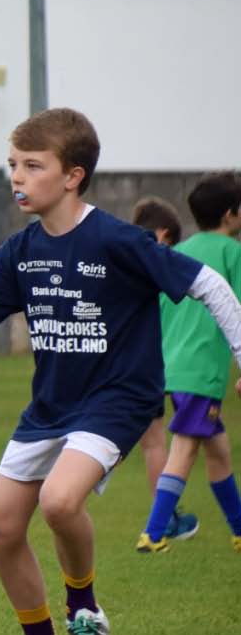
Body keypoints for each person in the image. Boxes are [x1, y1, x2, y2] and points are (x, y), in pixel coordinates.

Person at [0, 109, 241, 635]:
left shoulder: (116, 238)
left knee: (60, 501)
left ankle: (84, 609)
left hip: (118, 399)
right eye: (12, 164)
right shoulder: (21, 249)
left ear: (72, 176)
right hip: (51, 404)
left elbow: (206, 283)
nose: (17, 177)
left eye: (33, 166)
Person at [137, 173, 241, 554]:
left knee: (218, 449)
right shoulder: (233, 253)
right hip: (202, 372)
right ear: (231, 214)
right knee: (185, 448)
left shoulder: (180, 253)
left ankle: (239, 529)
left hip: (173, 366)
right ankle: (155, 530)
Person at [130, 197, 197, 540]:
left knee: (146, 442)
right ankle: (165, 516)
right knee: (156, 443)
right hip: (152, 366)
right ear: (162, 235)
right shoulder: (156, 268)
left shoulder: (122, 263)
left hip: (122, 365)